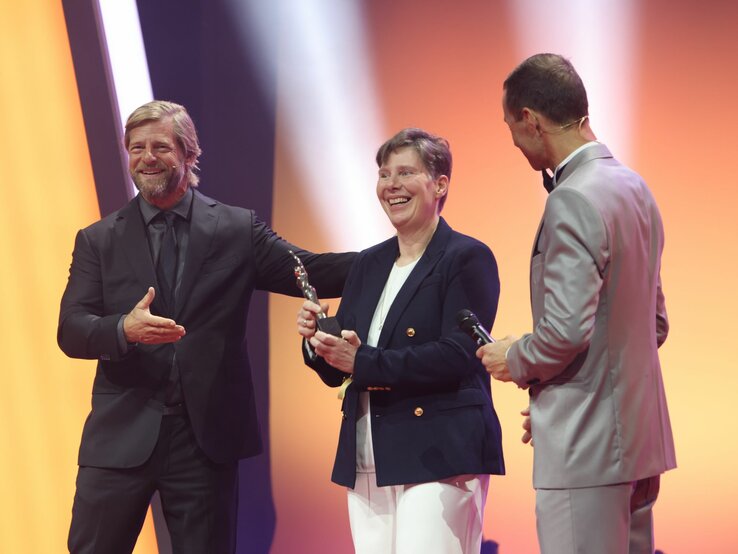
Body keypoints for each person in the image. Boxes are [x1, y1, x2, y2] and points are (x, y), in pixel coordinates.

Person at [57, 100, 354, 553]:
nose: (147, 157)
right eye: (136, 148)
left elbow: (311, 270)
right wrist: (123, 329)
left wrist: (407, 250)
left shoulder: (236, 229)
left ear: (189, 154)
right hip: (119, 439)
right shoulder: (99, 239)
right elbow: (72, 329)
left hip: (204, 443)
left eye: (160, 146)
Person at [477, 53, 676, 554]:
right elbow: (653, 324)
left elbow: (565, 333)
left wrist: (515, 357)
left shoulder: (571, 199)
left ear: (531, 120)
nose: (513, 142)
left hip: (585, 450)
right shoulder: (635, 187)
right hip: (638, 444)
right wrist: (558, 396)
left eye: (511, 127)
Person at [296, 128, 505, 554]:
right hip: (368, 452)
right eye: (384, 174)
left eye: (405, 173)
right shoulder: (368, 263)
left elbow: (459, 354)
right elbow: (343, 363)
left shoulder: (466, 257)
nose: (391, 185)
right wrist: (317, 340)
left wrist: (363, 362)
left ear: (440, 183)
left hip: (439, 451)